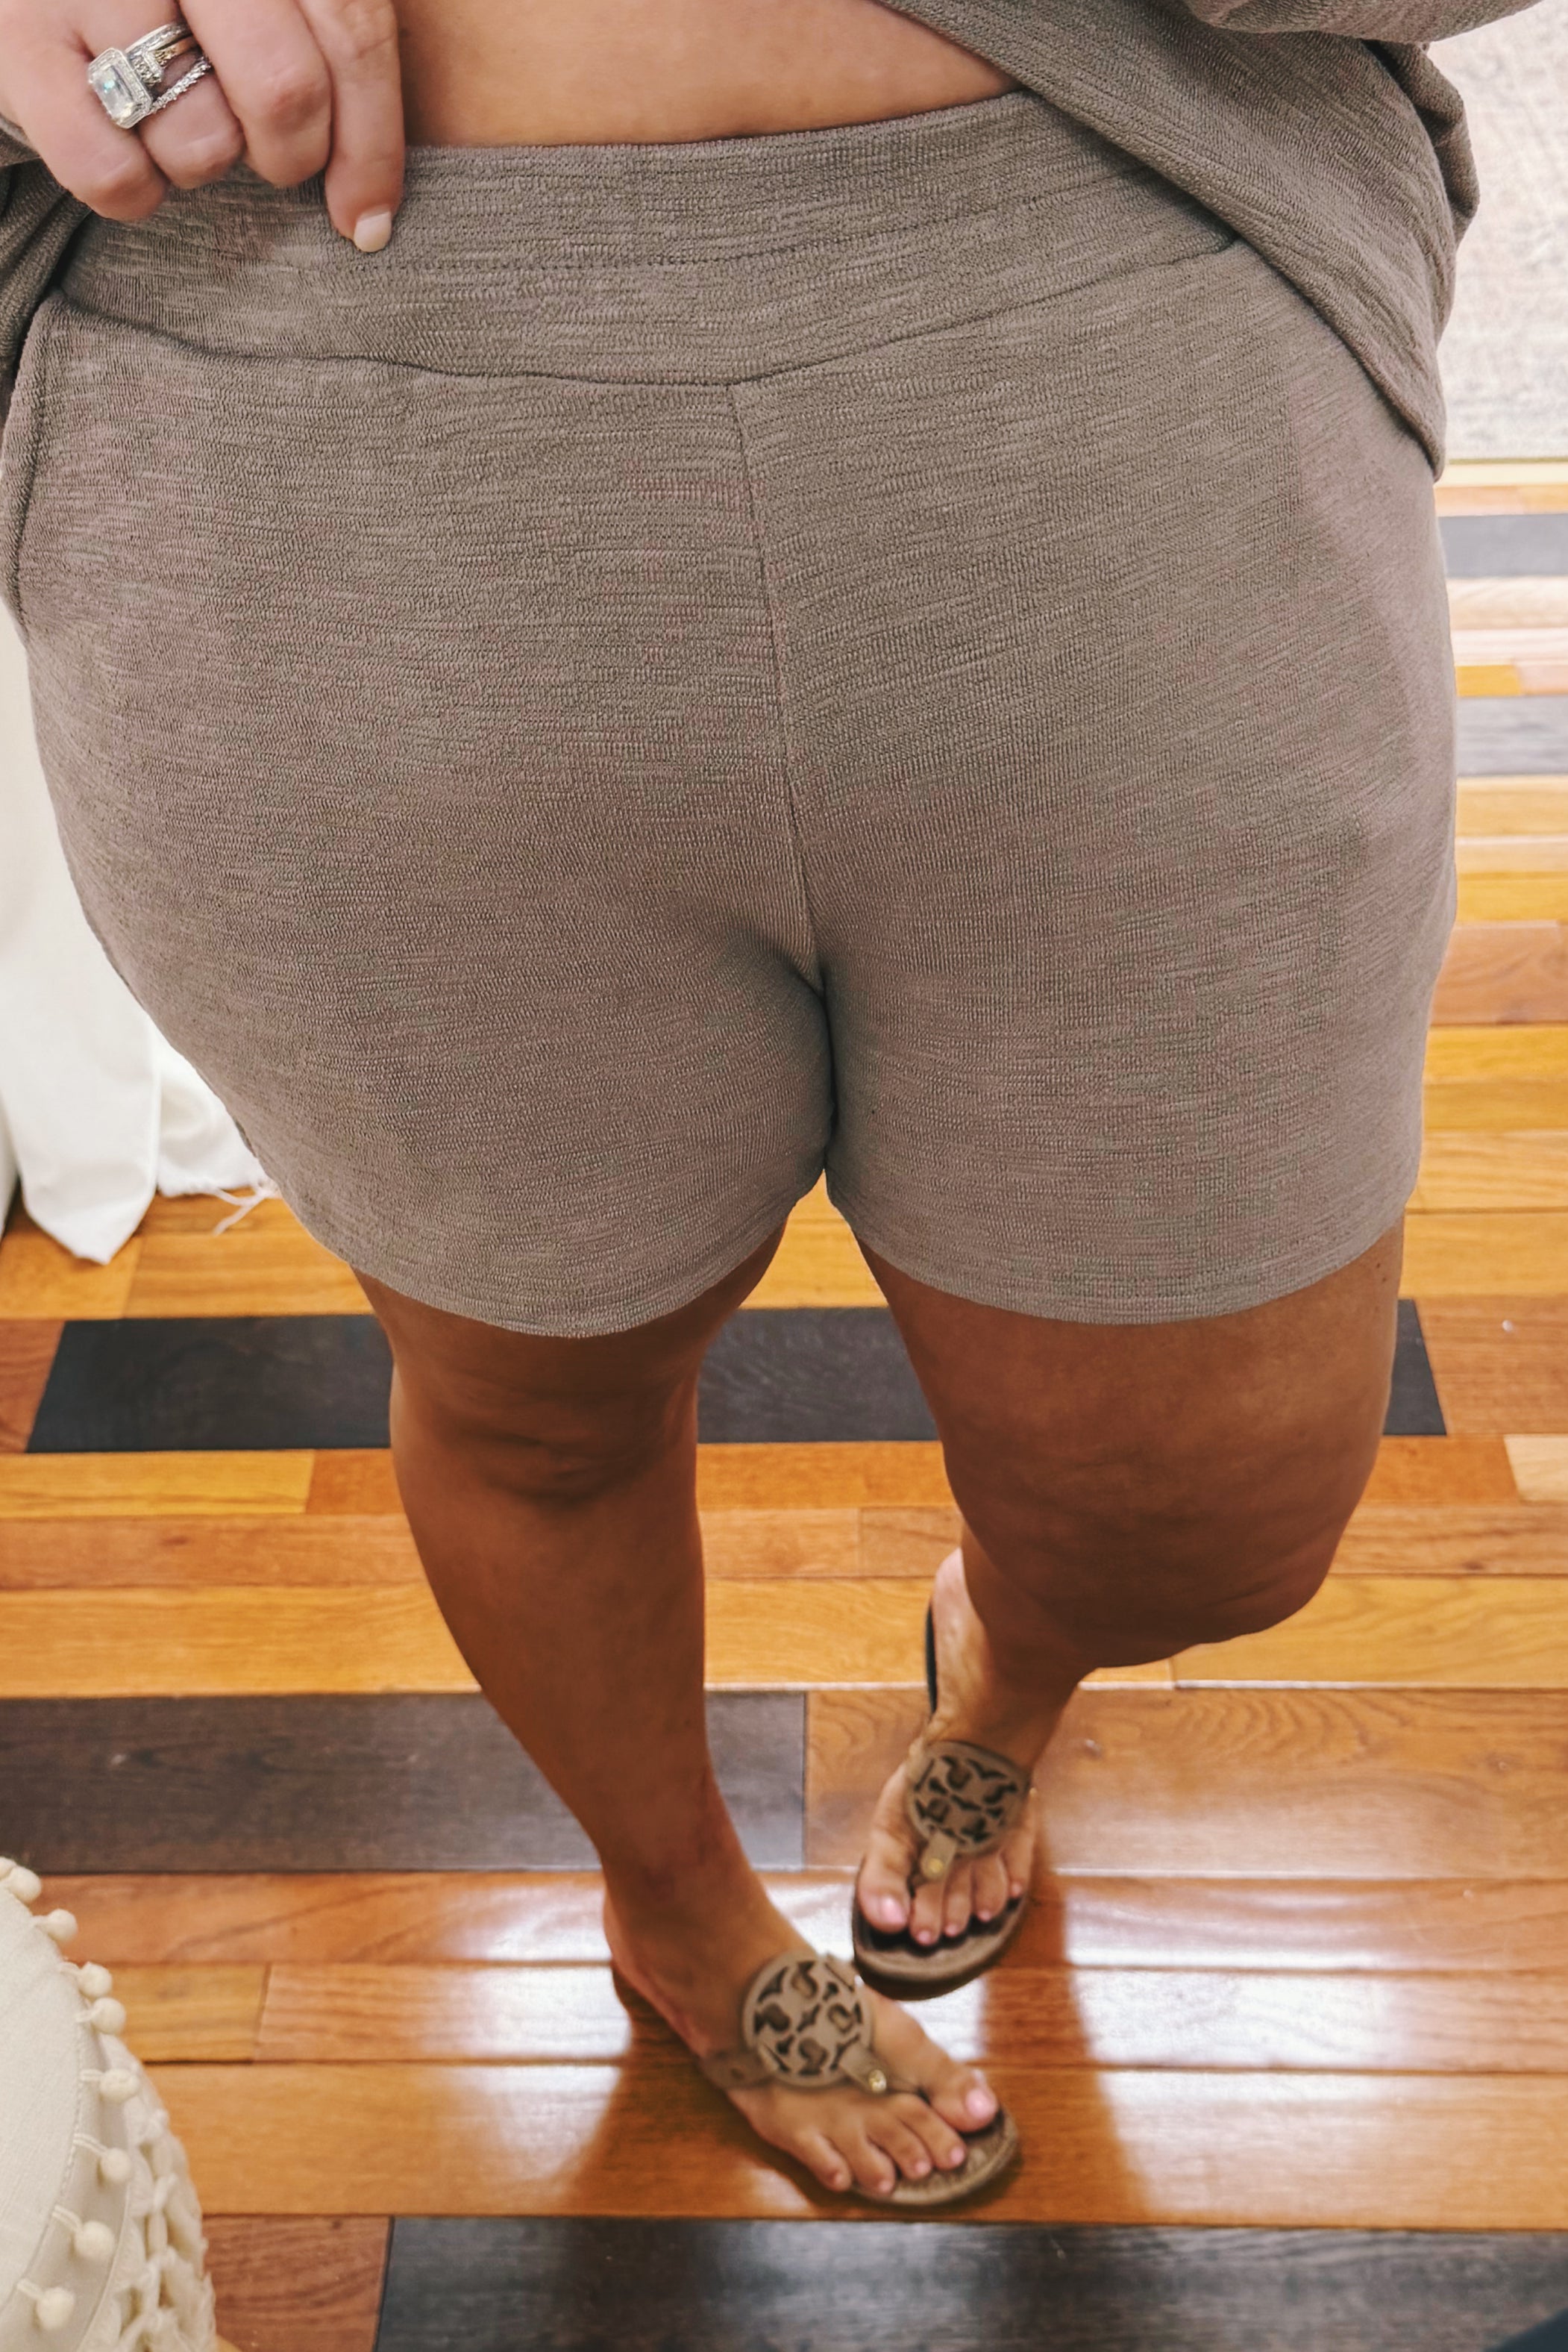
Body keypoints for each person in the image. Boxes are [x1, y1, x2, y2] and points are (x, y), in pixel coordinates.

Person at [0, 0, 1537, 2208]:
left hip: (1115, 307)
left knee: (1205, 1510)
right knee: (536, 1395)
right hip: (290, 422)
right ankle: (678, 1915)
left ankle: (1005, 1678)